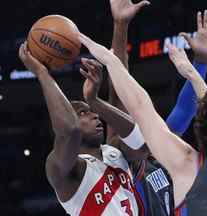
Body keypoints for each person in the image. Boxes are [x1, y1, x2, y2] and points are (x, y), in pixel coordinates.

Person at [79, 15, 207, 215]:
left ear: (204, 126)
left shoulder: (188, 165)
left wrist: (111, 61)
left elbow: (140, 106)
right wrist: (193, 71)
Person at [82, 6, 207, 215]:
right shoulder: (119, 156)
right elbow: (120, 87)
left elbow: (184, 111)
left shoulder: (160, 151)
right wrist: (120, 25)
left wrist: (201, 61)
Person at [18, 2, 150, 212]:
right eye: (83, 113)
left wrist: (120, 25)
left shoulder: (115, 152)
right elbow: (71, 130)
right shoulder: (63, 170)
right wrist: (42, 73)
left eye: (92, 112)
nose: (95, 116)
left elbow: (124, 104)